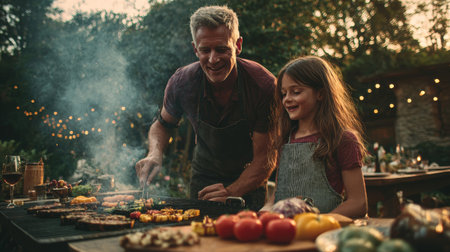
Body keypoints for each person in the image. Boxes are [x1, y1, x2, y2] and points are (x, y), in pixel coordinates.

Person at [135, 6, 276, 211]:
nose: (213, 59)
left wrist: (230, 192)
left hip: (248, 184)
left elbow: (265, 159)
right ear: (195, 49)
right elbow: (162, 125)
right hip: (204, 180)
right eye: (205, 50)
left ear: (238, 45)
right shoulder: (182, 82)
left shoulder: (263, 86)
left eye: (221, 49)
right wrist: (154, 153)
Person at [265, 56, 368, 218]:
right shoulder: (285, 140)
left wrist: (319, 222)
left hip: (324, 235)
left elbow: (358, 202)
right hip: (284, 235)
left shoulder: (343, 139)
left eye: (296, 92)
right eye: (284, 94)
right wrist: (265, 211)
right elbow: (277, 195)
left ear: (321, 93)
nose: (287, 100)